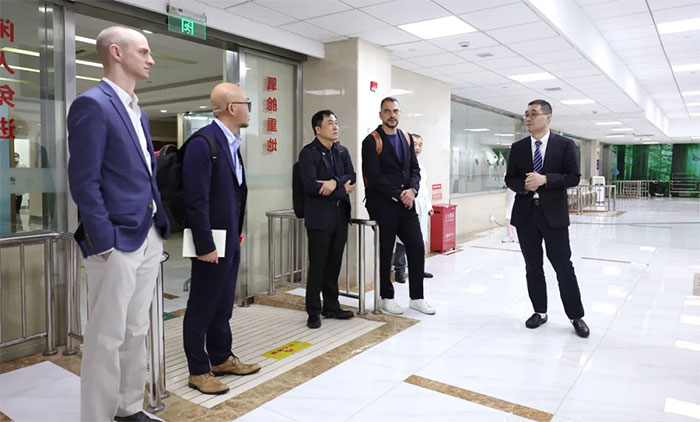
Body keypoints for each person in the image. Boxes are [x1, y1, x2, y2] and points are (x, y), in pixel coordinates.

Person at [67, 26, 170, 422]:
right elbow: (84, 181)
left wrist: (158, 221)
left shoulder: (137, 111)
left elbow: (145, 174)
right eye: (143, 51)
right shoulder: (92, 104)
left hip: (147, 232)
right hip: (115, 240)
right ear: (115, 52)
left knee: (136, 329)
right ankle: (96, 417)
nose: (151, 59)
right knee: (105, 336)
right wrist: (104, 241)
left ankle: (128, 408)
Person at [182, 82, 260, 395]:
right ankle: (198, 370)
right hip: (209, 243)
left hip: (229, 238)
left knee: (223, 302)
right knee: (201, 306)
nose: (249, 109)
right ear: (231, 108)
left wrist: (236, 233)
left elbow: (233, 194)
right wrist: (205, 245)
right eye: (246, 103)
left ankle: (221, 357)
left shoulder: (231, 143)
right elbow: (195, 200)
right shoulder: (203, 143)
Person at [505, 99, 589, 338]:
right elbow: (510, 178)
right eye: (526, 114)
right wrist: (524, 185)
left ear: (548, 117)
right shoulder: (518, 148)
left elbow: (573, 177)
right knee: (533, 266)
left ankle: (576, 316)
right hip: (526, 216)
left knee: (563, 266)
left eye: (533, 114)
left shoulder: (565, 145)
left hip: (554, 216)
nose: (528, 119)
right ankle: (539, 311)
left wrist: (545, 180)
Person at [362, 97, 435, 316]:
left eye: (395, 111)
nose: (392, 115)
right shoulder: (371, 141)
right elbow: (374, 176)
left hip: (407, 203)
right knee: (386, 251)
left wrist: (412, 191)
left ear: (399, 114)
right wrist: (398, 194)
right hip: (383, 204)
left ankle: (417, 298)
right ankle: (386, 297)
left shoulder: (406, 138)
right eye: (387, 111)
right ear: (380, 115)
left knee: (417, 246)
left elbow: (415, 170)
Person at [299, 110, 356, 329]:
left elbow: (351, 176)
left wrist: (333, 182)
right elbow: (310, 185)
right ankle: (313, 311)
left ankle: (331, 306)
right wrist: (341, 189)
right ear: (318, 129)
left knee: (334, 263)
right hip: (319, 218)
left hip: (340, 216)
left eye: (336, 123)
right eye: (330, 123)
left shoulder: (342, 151)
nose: (335, 127)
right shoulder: (308, 153)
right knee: (318, 265)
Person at [392, 133, 434, 282]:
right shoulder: (402, 162)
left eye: (420, 145)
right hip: (408, 206)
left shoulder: (420, 164)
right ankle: (400, 271)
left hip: (421, 207)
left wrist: (428, 206)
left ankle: (418, 270)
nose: (417, 147)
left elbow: (424, 188)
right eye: (415, 144)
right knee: (402, 242)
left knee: (419, 241)